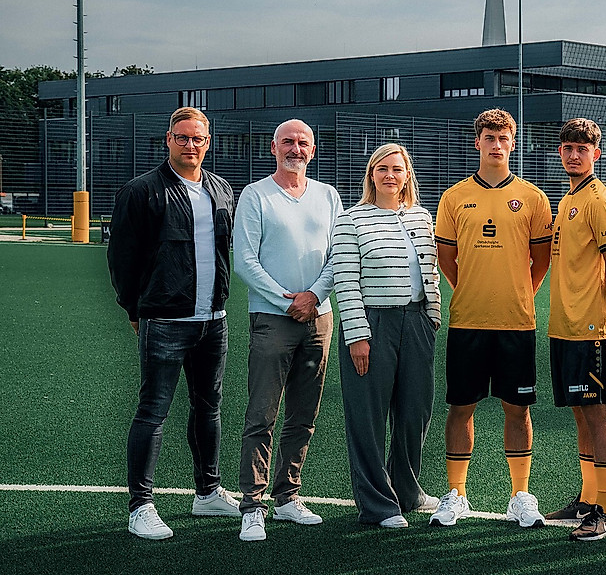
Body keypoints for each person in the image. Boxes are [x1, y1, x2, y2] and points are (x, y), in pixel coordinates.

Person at [108, 106, 239, 540]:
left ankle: (208, 492)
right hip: (164, 319)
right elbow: (123, 259)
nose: (190, 145)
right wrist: (135, 310)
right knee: (153, 411)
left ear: (208, 142)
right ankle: (140, 506)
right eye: (182, 138)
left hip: (213, 321)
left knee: (209, 408)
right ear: (168, 139)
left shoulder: (221, 190)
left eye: (198, 138)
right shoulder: (141, 191)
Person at [431, 108, 554, 528]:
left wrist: (518, 291)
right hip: (467, 321)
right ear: (477, 142)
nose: (496, 145)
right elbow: (447, 259)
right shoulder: (453, 196)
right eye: (489, 137)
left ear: (513, 143)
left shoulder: (534, 198)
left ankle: (520, 495)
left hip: (517, 322)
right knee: (460, 407)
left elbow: (540, 261)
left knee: (517, 409)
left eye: (504, 138)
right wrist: (473, 288)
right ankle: (456, 494)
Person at [232, 119, 343, 541]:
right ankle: (252, 505)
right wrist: (288, 301)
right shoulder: (256, 195)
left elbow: (338, 254)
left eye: (303, 143)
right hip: (272, 319)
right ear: (273, 147)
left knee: (304, 414)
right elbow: (245, 260)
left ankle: (288, 497)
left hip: (319, 318)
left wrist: (313, 296)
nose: (295, 149)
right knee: (262, 413)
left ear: (312, 150)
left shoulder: (328, 196)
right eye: (288, 142)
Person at [330, 143, 441, 528]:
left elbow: (430, 272)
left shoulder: (422, 217)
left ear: (407, 174)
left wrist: (432, 318)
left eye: (397, 169)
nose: (390, 175)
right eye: (382, 169)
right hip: (373, 324)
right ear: (371, 175)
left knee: (416, 411)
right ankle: (378, 505)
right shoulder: (351, 220)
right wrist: (358, 335)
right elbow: (345, 281)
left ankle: (407, 491)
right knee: (368, 416)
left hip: (417, 323)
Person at [543, 118, 606, 541]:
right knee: (580, 413)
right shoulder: (569, 198)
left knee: (597, 414)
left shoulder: (598, 199)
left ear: (597, 153)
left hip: (592, 328)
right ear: (561, 152)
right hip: (565, 327)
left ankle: (605, 510)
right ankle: (587, 498)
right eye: (568, 147)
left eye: (583, 148)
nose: (574, 154)